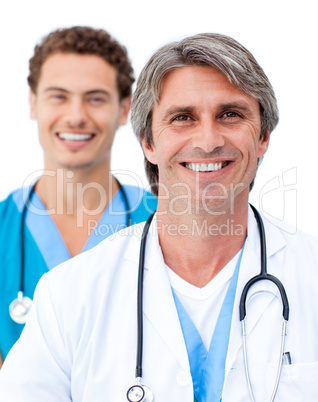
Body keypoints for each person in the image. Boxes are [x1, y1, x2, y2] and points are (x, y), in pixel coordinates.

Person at [0, 32, 317, 401]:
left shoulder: (310, 273)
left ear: (263, 135)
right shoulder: (66, 296)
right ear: (148, 141)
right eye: (182, 117)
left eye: (230, 114)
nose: (208, 139)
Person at [0, 26, 157, 365]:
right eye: (58, 95)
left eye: (95, 98)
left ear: (124, 108)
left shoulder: (166, 222)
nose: (75, 116)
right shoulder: (3, 228)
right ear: (32, 103)